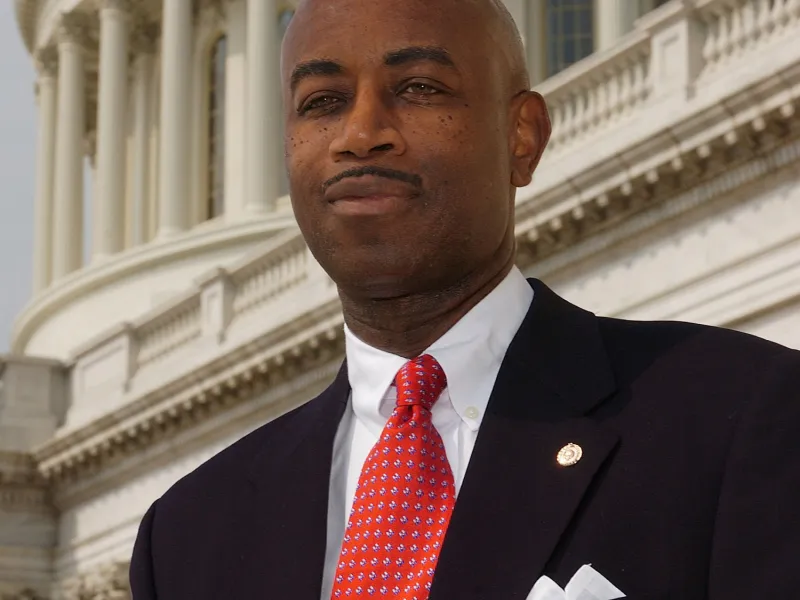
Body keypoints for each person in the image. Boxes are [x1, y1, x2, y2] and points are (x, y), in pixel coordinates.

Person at [129, 0, 800, 598]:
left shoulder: (740, 419)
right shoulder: (188, 536)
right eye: (322, 101)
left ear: (523, 137)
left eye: (418, 88)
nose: (360, 133)